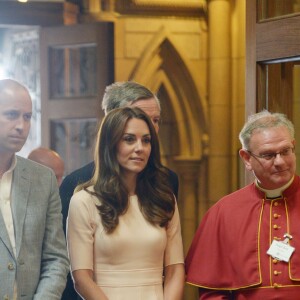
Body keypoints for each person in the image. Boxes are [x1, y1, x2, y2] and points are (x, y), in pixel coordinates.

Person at [60, 81, 180, 300]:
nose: (140, 146)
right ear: (111, 131)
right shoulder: (80, 193)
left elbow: (174, 269)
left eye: (147, 139)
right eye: (129, 138)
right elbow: (78, 276)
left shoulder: (165, 191)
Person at [185, 110, 300, 299]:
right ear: (247, 159)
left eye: (285, 151)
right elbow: (212, 293)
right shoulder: (223, 212)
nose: (280, 162)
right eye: (268, 155)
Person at [0, 79, 69, 299]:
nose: (21, 125)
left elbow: (56, 258)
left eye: (27, 117)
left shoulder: (43, 179)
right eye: (11, 115)